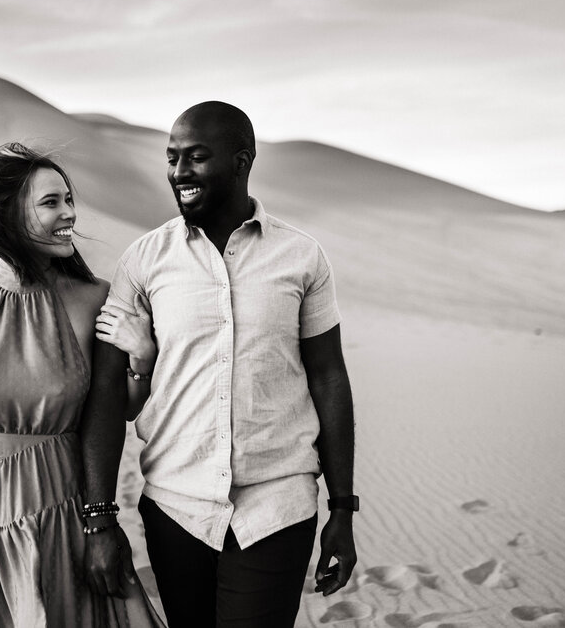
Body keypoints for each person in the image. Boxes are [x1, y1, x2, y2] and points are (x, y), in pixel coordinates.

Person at [85, 101, 359, 627]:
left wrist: (342, 508)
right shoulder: (143, 260)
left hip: (277, 504)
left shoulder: (302, 257)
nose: (179, 173)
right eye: (172, 158)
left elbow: (329, 376)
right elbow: (104, 392)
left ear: (241, 161)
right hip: (175, 506)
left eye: (196, 157)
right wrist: (99, 518)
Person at [0, 143, 163, 627]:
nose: (69, 213)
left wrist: (142, 360)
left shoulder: (94, 298)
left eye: (68, 199)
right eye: (50, 203)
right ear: (6, 216)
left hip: (58, 507)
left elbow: (118, 409)